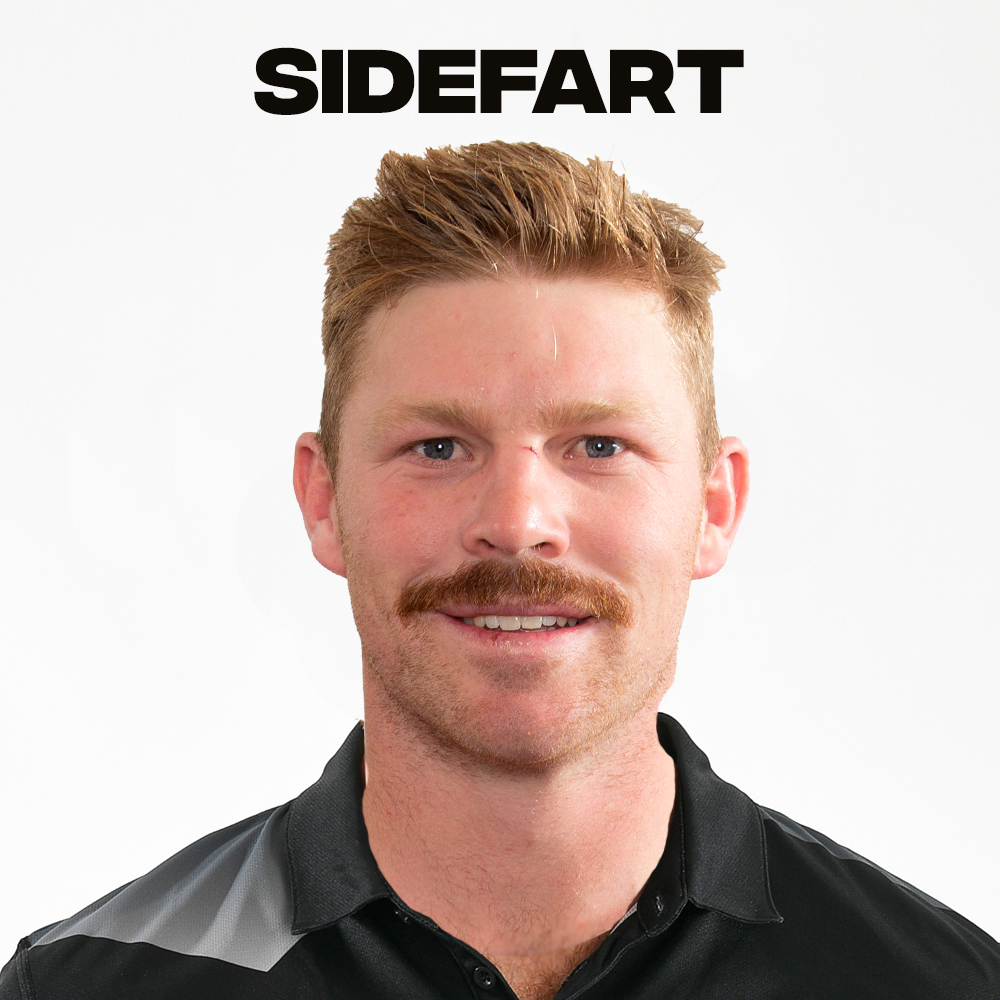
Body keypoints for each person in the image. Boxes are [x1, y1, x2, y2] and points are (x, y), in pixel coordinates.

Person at [3, 141, 998, 1000]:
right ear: (323, 499)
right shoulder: (93, 982)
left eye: (598, 446)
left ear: (714, 505)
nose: (518, 525)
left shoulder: (934, 983)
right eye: (438, 447)